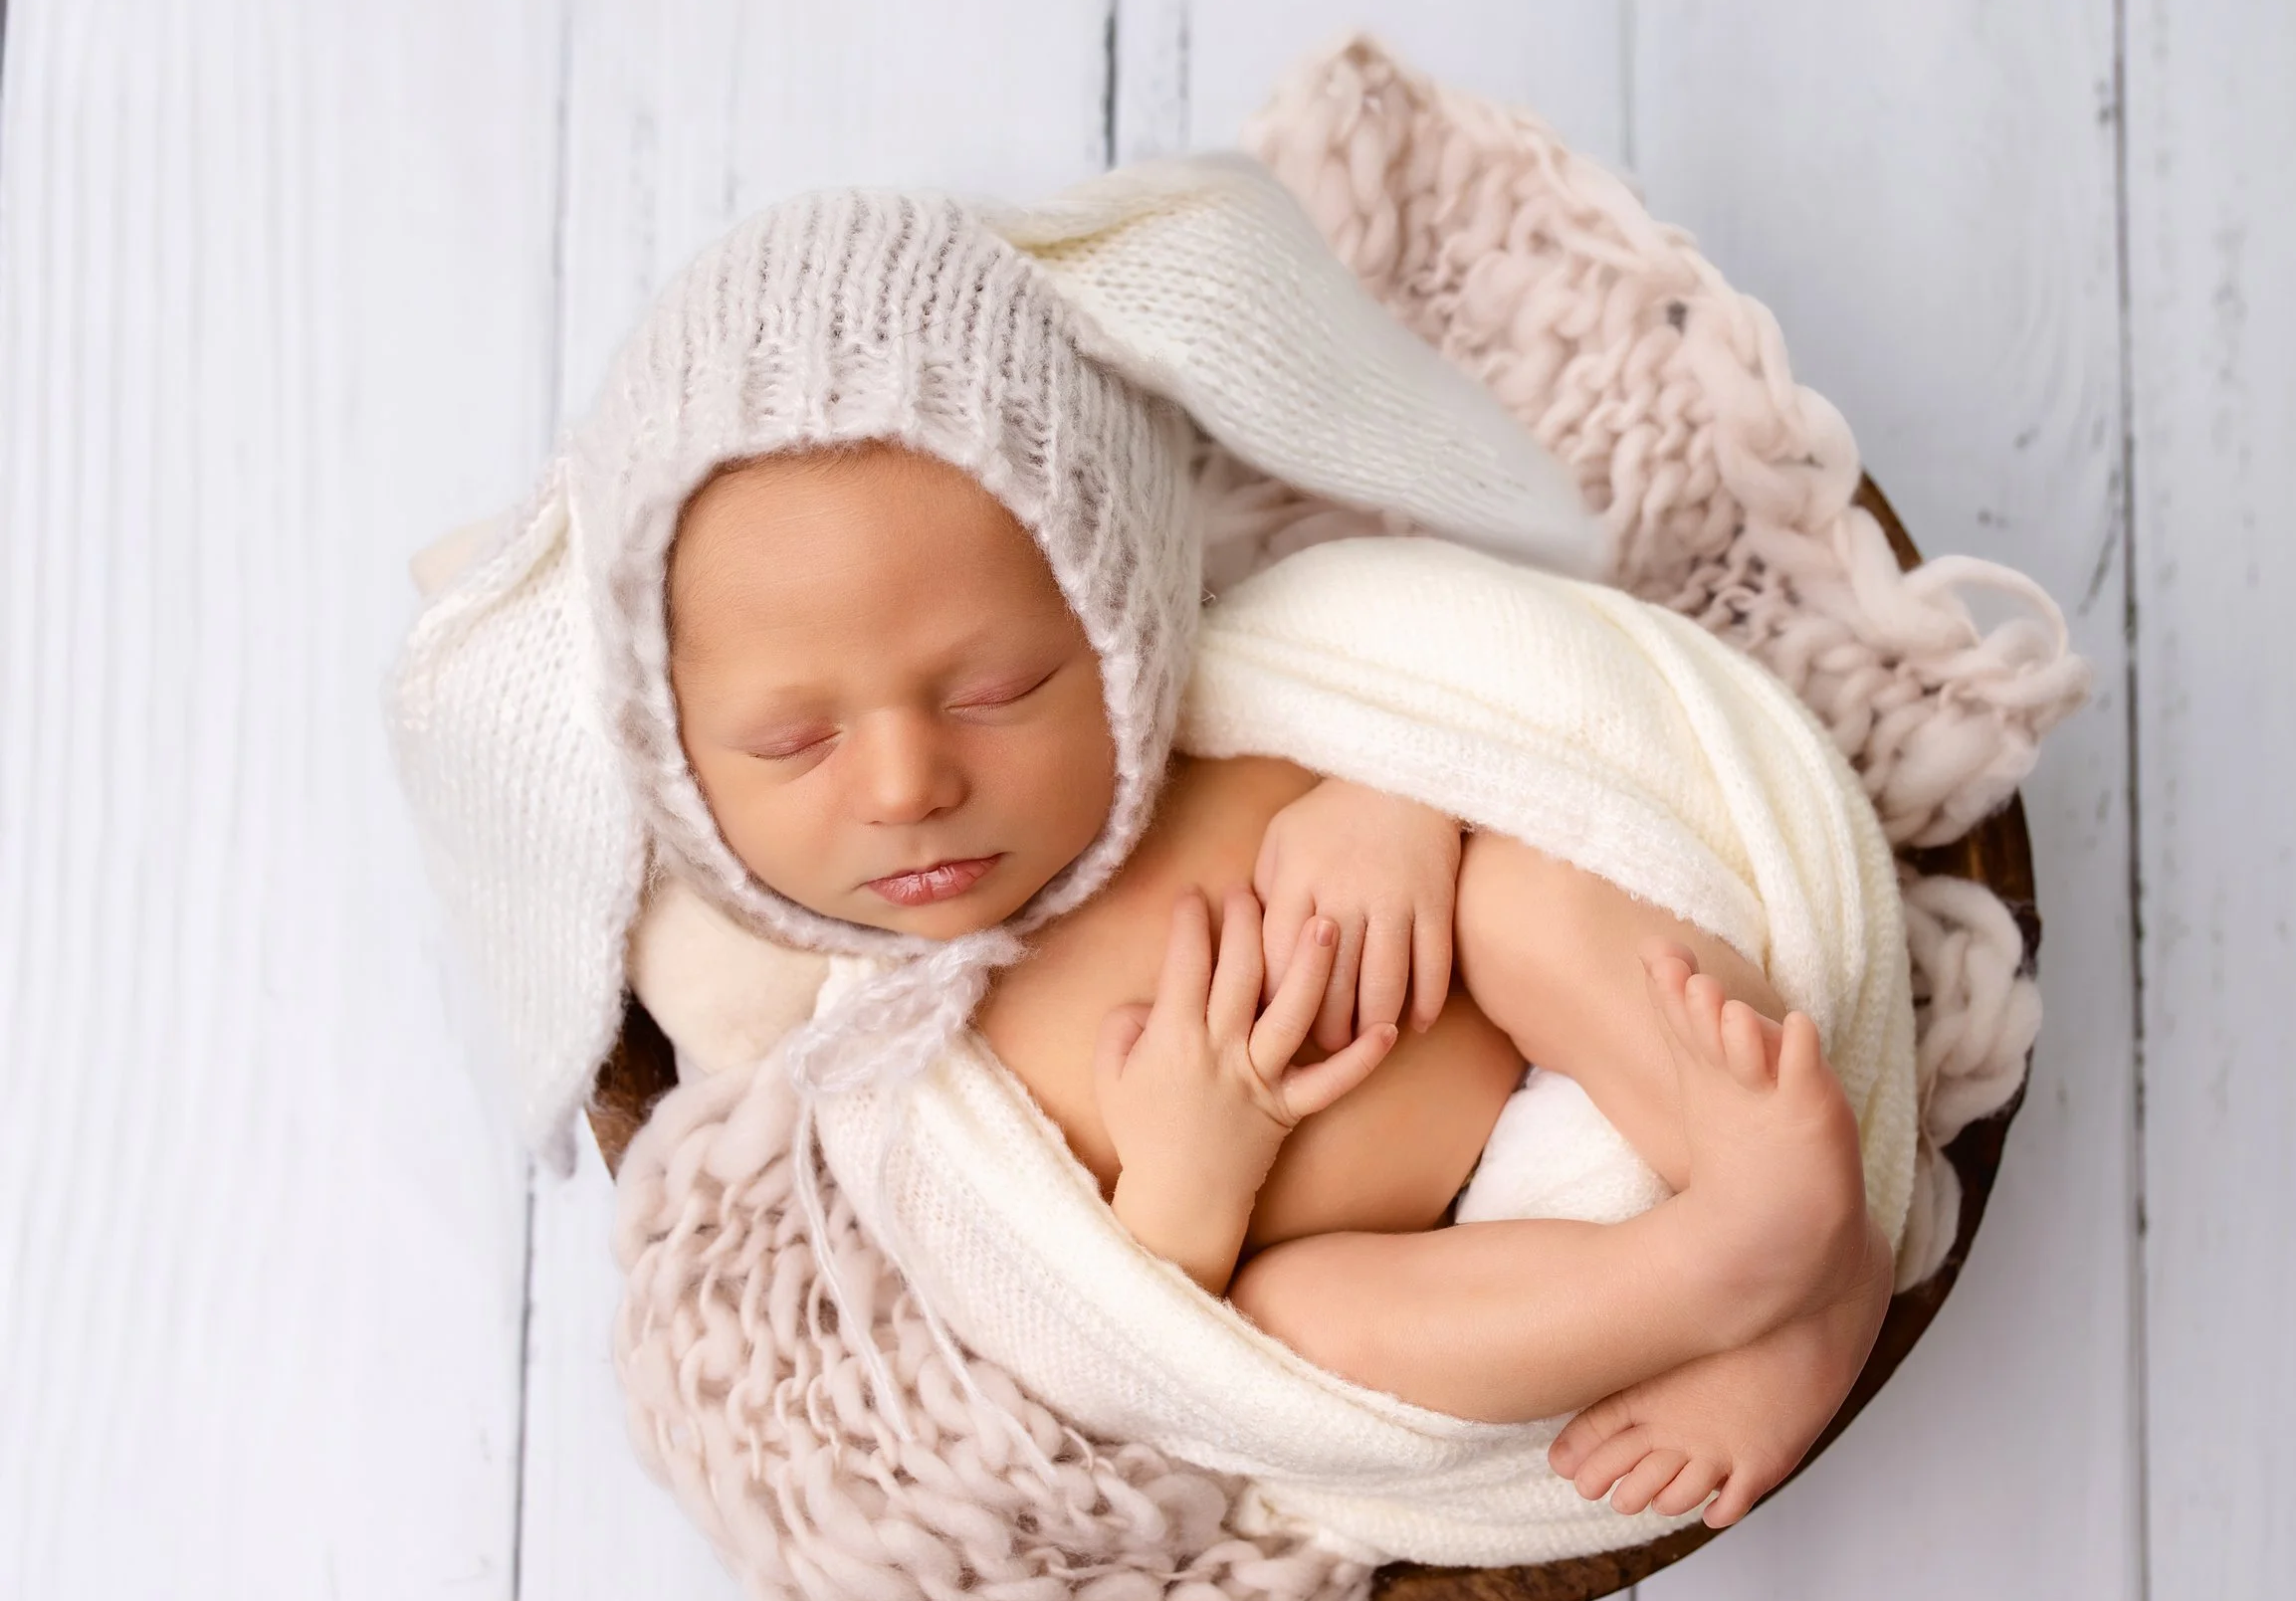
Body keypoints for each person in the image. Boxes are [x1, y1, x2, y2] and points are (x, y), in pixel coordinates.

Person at [661, 436, 1894, 1531]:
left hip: (1615, 1056)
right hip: (1493, 1255)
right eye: (792, 742)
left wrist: (1397, 793)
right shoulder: (897, 1088)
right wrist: (1192, 1168)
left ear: (1112, 634)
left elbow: (1465, 681)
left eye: (997, 693)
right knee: (1297, 1314)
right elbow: (1125, 1349)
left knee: (1535, 900)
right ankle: (1718, 1270)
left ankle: (1807, 1253)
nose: (905, 785)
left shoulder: (1233, 699)